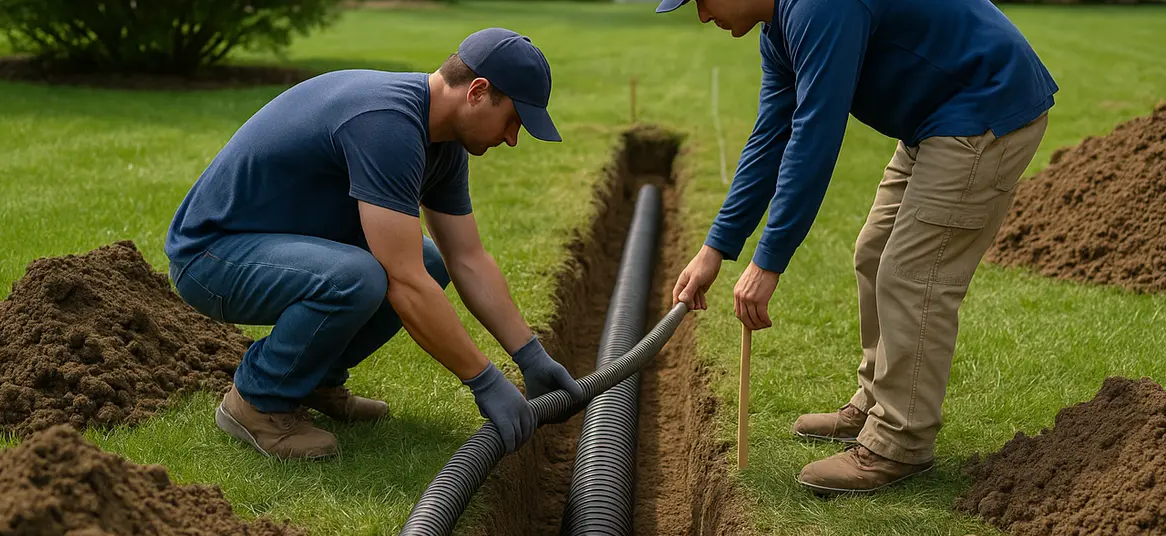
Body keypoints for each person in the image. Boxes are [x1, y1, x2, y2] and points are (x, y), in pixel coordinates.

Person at [659, 0, 1057, 494]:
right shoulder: (779, 29)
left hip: (983, 107)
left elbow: (816, 136)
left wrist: (769, 262)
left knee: (912, 273)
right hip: (935, 118)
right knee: (874, 252)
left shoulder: (819, 7)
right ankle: (875, 403)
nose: (701, 16)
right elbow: (771, 136)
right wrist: (715, 247)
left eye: (700, 0)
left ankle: (900, 441)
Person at [165, 28, 577, 460]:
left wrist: (529, 355)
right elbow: (404, 281)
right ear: (477, 91)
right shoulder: (388, 124)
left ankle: (316, 382)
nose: (512, 138)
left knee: (430, 261)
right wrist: (485, 380)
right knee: (359, 279)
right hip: (212, 255)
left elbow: (466, 258)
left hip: (276, 244)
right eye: (513, 120)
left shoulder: (442, 142)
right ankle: (257, 401)